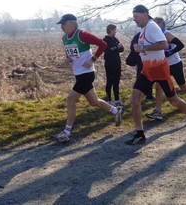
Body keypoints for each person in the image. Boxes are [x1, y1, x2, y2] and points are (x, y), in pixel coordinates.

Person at [126, 5, 186, 145]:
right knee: (134, 99)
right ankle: (139, 134)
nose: (134, 19)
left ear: (145, 14)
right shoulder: (144, 29)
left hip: (160, 69)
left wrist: (142, 48)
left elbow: (164, 44)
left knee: (174, 101)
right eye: (133, 16)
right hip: (147, 71)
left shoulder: (152, 27)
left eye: (136, 17)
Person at [52, 14, 123, 142]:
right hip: (78, 74)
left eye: (64, 23)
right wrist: (68, 58)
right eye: (61, 24)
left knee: (70, 100)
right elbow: (69, 51)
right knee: (94, 102)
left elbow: (103, 44)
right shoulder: (64, 38)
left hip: (87, 74)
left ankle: (66, 132)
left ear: (72, 24)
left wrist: (93, 59)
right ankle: (115, 110)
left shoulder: (82, 34)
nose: (61, 26)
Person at [145, 17, 186, 120]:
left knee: (183, 87)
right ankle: (158, 111)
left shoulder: (166, 34)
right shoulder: (155, 36)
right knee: (158, 87)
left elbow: (181, 45)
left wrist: (170, 52)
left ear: (161, 25)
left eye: (156, 24)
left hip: (175, 64)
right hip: (163, 65)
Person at [126, 31, 155, 100]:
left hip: (148, 60)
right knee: (141, 77)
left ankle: (148, 94)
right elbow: (133, 46)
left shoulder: (149, 34)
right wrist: (139, 47)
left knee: (149, 77)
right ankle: (140, 94)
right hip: (141, 60)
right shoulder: (139, 35)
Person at [103, 24, 124, 106]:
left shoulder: (115, 39)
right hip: (109, 63)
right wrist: (116, 48)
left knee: (116, 81)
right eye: (115, 30)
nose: (116, 31)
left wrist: (115, 48)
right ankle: (108, 100)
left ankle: (117, 99)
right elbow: (108, 51)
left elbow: (122, 48)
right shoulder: (105, 40)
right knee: (110, 81)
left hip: (117, 62)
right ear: (111, 30)